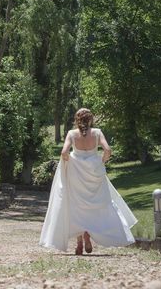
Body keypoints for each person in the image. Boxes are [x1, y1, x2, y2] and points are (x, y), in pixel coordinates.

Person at [39, 108, 137, 255]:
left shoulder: (72, 134)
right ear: (90, 119)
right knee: (94, 206)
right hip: (94, 172)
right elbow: (108, 150)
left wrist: (69, 163)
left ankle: (79, 242)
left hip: (76, 173)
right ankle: (87, 237)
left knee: (77, 206)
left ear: (76, 120)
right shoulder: (97, 133)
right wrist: (100, 161)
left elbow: (64, 152)